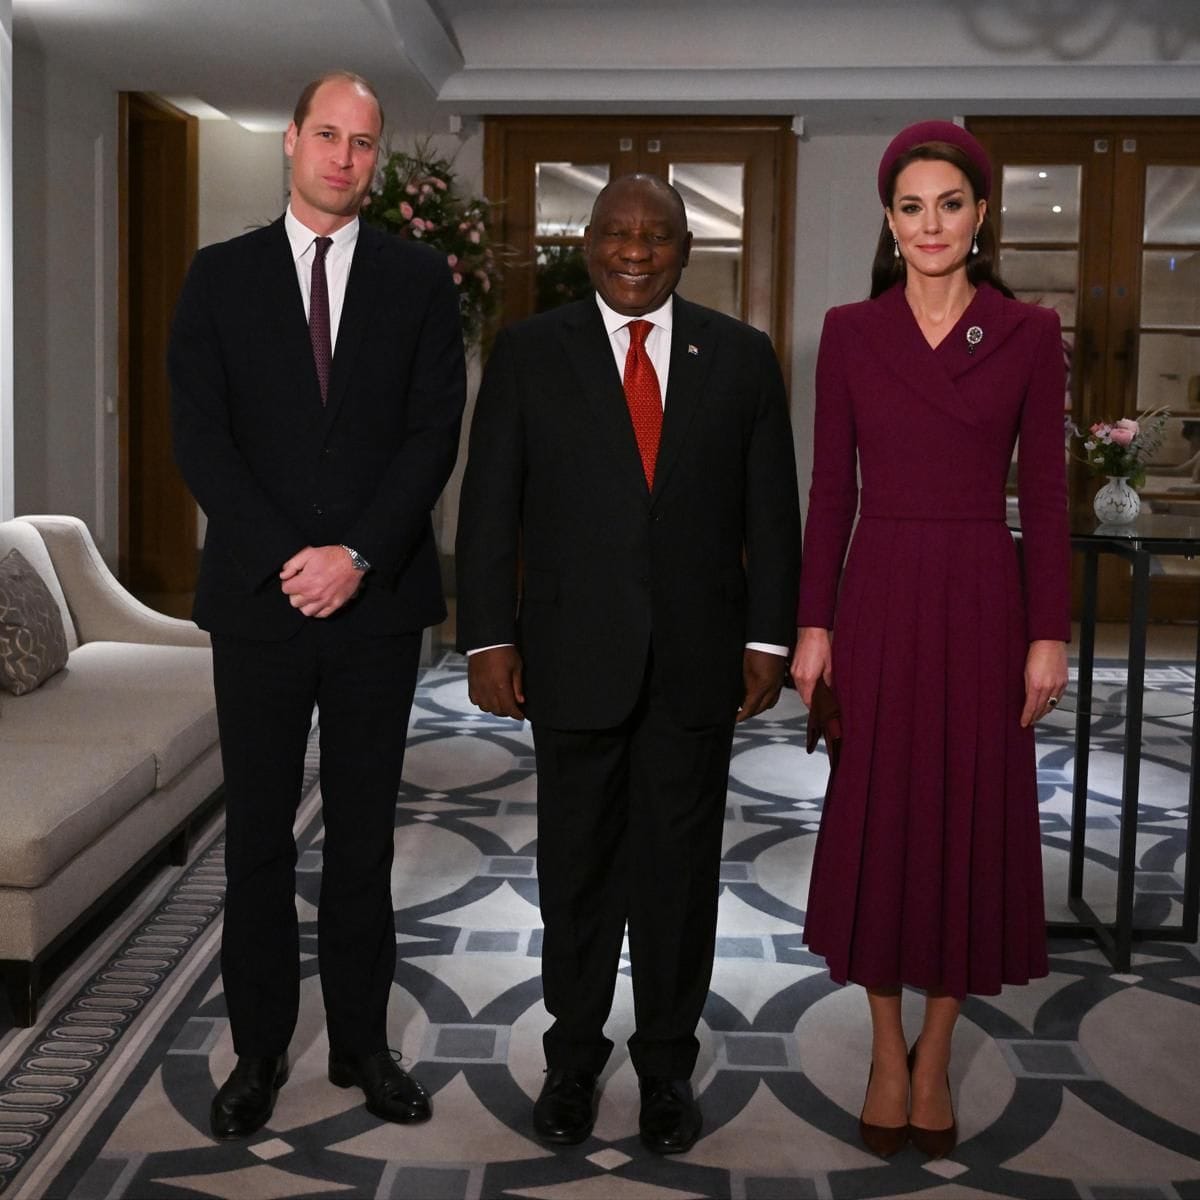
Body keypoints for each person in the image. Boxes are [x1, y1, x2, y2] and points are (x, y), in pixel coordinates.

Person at [455, 174, 801, 1153]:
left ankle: (663, 1069)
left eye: (656, 235)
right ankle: (571, 1061)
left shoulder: (739, 357)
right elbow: (490, 508)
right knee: (575, 871)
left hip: (698, 664)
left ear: (686, 248)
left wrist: (768, 639)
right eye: (617, 232)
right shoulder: (529, 352)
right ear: (589, 242)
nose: (635, 250)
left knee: (679, 876)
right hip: (570, 659)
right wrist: (488, 638)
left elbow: (773, 512)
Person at [169, 70, 465, 1140]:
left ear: (376, 159)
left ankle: (360, 1046)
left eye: (364, 143)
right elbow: (201, 436)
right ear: (291, 141)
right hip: (258, 604)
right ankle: (257, 1053)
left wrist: (355, 555)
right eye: (327, 135)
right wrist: (290, 556)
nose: (345, 157)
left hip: (379, 608)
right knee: (256, 837)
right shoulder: (220, 277)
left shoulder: (419, 277)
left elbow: (434, 432)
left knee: (365, 838)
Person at [790, 121, 1069, 1160]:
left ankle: (939, 1046)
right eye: (911, 206)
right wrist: (811, 624)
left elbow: (1043, 494)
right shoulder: (852, 333)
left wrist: (1049, 633)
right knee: (881, 817)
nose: (930, 224)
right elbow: (829, 493)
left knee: (967, 819)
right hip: (882, 594)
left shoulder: (1030, 332)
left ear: (982, 214)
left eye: (949, 203)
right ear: (890, 220)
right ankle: (884, 1042)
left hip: (983, 596)